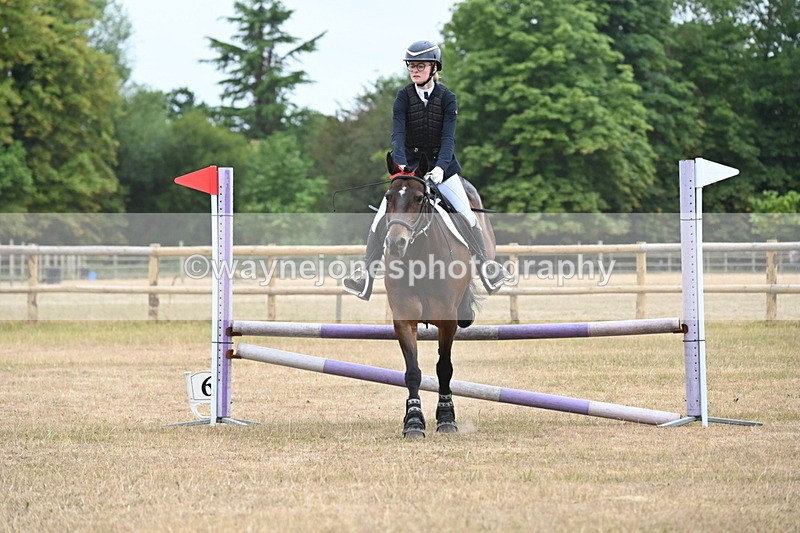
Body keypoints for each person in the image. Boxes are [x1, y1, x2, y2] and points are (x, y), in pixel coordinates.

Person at [343, 40, 511, 301]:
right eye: (411, 66)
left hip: (442, 170)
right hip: (409, 172)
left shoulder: (447, 99)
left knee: (467, 216)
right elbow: (397, 136)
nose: (414, 70)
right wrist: (402, 168)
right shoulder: (402, 97)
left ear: (434, 67)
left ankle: (487, 268)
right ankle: (365, 275)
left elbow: (448, 140)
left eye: (420, 66)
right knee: (379, 220)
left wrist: (440, 170)